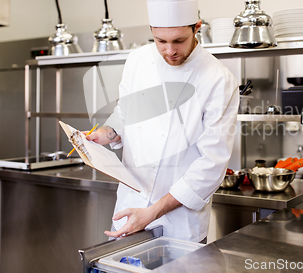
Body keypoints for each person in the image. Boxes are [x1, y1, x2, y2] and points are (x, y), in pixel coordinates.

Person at [86, 19, 238, 243]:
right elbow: (125, 113)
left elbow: (211, 165)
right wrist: (105, 133)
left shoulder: (219, 79)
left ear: (196, 27)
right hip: (129, 212)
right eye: (160, 41)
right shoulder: (137, 60)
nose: (170, 50)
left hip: (179, 226)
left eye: (179, 40)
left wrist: (152, 213)